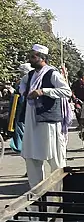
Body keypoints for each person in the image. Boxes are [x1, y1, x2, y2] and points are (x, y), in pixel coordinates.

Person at [19, 44, 72, 187]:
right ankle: (37, 194)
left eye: (33, 56)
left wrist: (44, 91)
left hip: (48, 122)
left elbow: (66, 91)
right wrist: (25, 92)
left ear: (42, 58)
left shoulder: (52, 74)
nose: (30, 59)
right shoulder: (30, 75)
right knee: (32, 158)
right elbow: (22, 85)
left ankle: (59, 193)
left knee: (55, 159)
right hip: (32, 121)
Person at [8, 63, 31, 154]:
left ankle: (21, 146)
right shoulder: (28, 80)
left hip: (21, 107)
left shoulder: (24, 81)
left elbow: (20, 96)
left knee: (20, 126)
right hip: (24, 106)